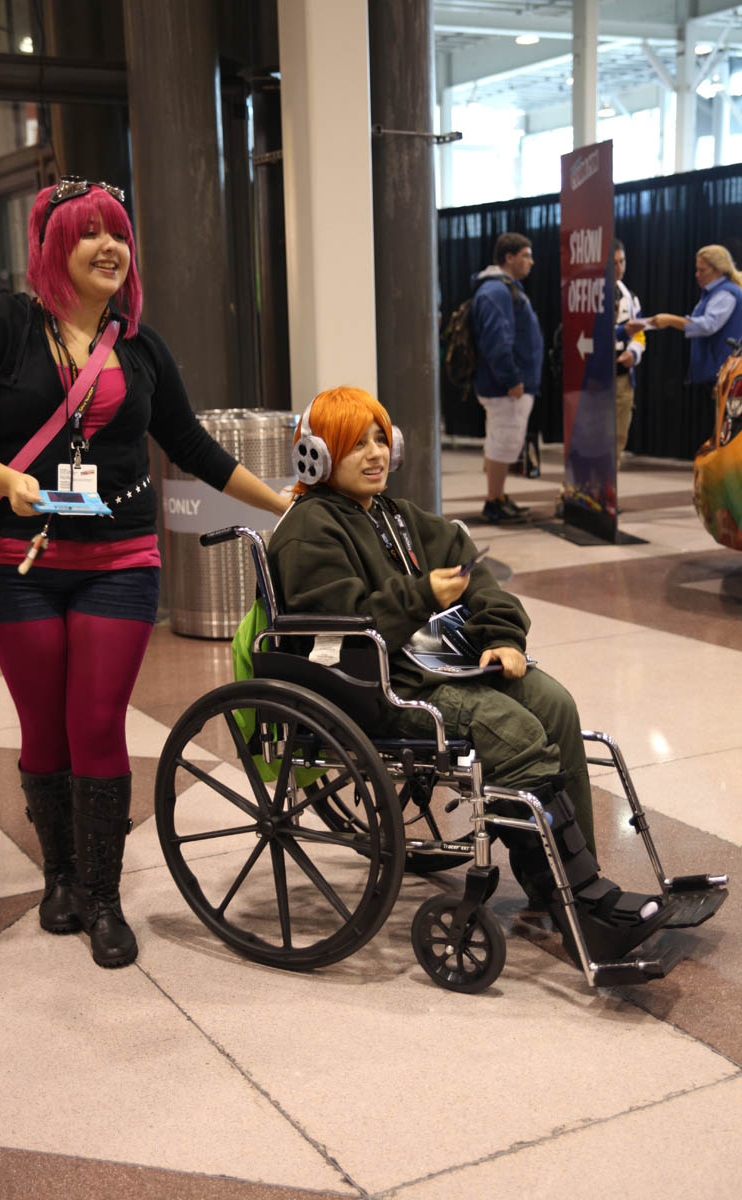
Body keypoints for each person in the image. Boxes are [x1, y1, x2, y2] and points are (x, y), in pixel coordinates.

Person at [0, 177, 289, 970]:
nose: (110, 247)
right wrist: (6, 480)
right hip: (18, 562)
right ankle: (59, 878)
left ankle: (104, 897)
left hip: (121, 559)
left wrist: (283, 506)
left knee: (97, 724)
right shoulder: (2, 329)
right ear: (53, 246)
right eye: (90, 233)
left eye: (119, 235)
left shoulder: (139, 346)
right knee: (44, 727)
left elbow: (192, 447)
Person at [268, 386, 672, 964]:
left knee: (553, 704)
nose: (376, 453)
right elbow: (344, 626)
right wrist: (421, 596)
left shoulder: (395, 516)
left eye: (381, 439)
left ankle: (567, 886)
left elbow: (469, 567)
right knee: (515, 734)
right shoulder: (309, 529)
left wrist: (502, 635)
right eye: (356, 444)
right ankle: (577, 899)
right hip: (383, 687)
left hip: (435, 667)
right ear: (318, 454)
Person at [470, 232, 544, 524]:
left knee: (500, 441)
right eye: (526, 255)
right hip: (504, 388)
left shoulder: (502, 289)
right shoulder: (497, 291)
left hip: (505, 385)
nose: (531, 262)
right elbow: (497, 342)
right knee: (502, 443)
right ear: (508, 257)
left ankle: (498, 496)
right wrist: (512, 379)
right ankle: (493, 502)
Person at [629, 244, 742, 415]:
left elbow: (708, 325)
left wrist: (671, 320)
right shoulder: (715, 292)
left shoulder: (725, 293)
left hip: (720, 373)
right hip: (714, 372)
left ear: (718, 270)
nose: (697, 274)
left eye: (702, 270)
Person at [613, 239, 645, 461]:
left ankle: (610, 481)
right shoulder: (588, 294)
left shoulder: (630, 298)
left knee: (618, 437)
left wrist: (633, 353)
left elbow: (640, 334)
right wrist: (621, 331)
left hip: (622, 378)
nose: (618, 268)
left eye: (622, 262)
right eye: (613, 263)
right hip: (594, 379)